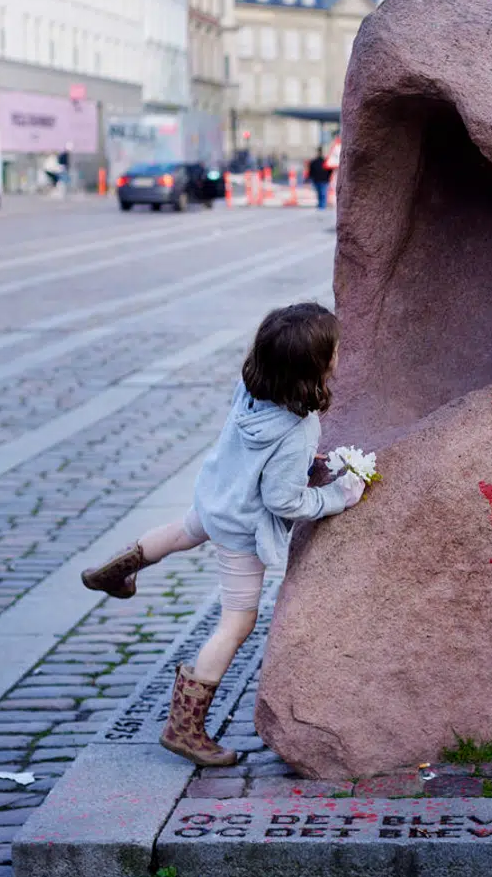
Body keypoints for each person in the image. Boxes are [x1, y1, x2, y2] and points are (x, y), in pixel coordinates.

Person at [78, 303, 369, 766]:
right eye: (333, 350)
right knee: (237, 622)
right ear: (315, 367)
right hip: (241, 528)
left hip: (216, 497)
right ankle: (184, 727)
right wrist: (339, 496)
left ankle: (117, 571)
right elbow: (284, 501)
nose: (340, 353)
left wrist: (305, 470)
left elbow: (260, 462)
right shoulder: (299, 427)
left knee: (181, 532)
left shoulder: (253, 388)